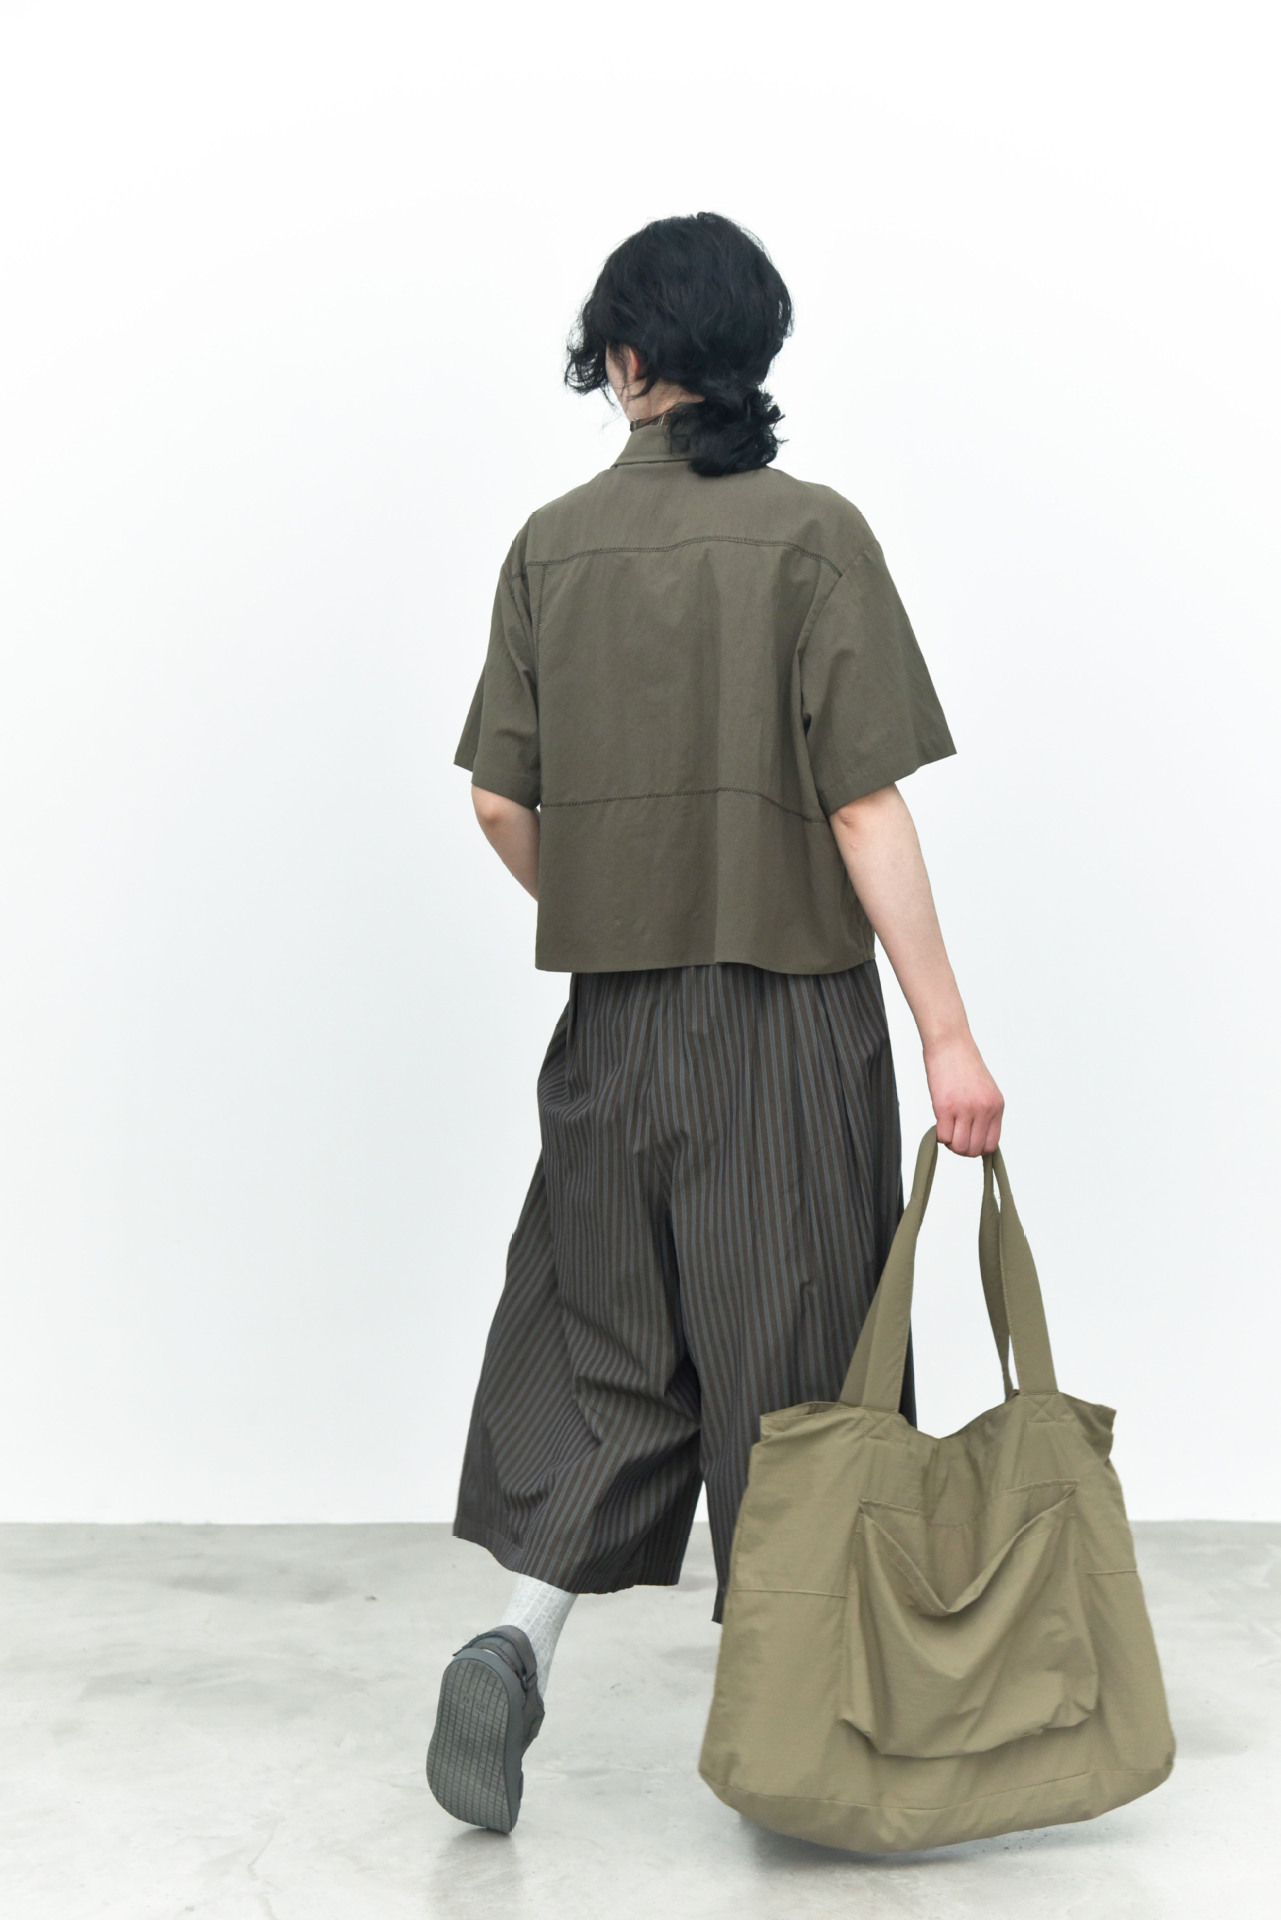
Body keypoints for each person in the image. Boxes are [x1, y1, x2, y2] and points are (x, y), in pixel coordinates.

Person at [426, 212, 1003, 1834]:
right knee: (797, 1378)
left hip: (613, 1030)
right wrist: (946, 1035)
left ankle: (515, 1644)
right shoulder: (812, 536)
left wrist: (611, 900)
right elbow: (863, 808)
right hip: (787, 1027)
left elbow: (497, 802)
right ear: (749, 353)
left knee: (608, 1352)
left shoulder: (548, 545)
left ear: (621, 359)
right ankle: (792, 1743)